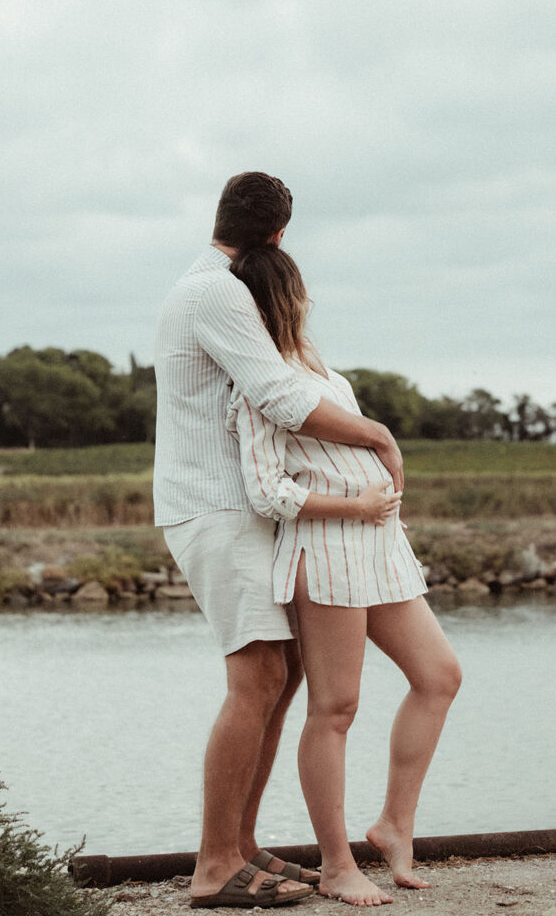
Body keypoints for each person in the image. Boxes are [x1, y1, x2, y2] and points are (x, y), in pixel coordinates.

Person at [153, 172, 406, 909]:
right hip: (216, 509)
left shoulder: (207, 286)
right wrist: (376, 432)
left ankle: (239, 845)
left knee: (284, 672)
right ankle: (211, 866)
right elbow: (281, 396)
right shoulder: (216, 292)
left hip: (237, 511)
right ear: (277, 236)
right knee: (257, 676)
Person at [227, 245, 463, 907]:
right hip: (324, 544)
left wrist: (383, 513)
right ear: (284, 295)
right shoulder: (257, 376)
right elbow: (265, 489)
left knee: (438, 676)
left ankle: (393, 823)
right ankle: (335, 865)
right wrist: (353, 505)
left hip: (379, 543)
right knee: (335, 708)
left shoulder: (313, 361)